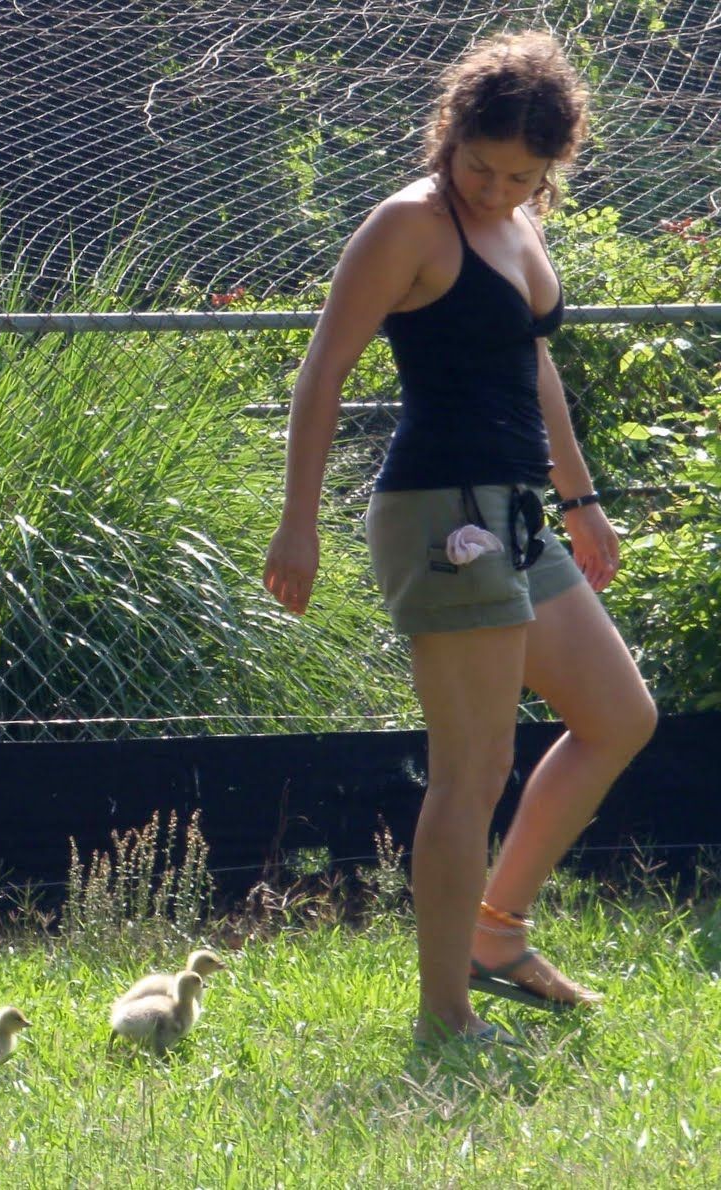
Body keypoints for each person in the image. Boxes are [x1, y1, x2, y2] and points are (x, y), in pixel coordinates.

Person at [262, 30, 657, 1045]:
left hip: (519, 509)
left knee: (618, 715)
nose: (493, 186)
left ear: (550, 169)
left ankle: (496, 931)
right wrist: (295, 523)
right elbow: (323, 371)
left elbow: (529, 367)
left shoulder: (520, 226)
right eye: (479, 163)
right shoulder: (407, 222)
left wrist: (581, 499)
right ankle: (445, 1012)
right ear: (451, 130)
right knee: (471, 769)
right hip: (442, 513)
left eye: (520, 175)